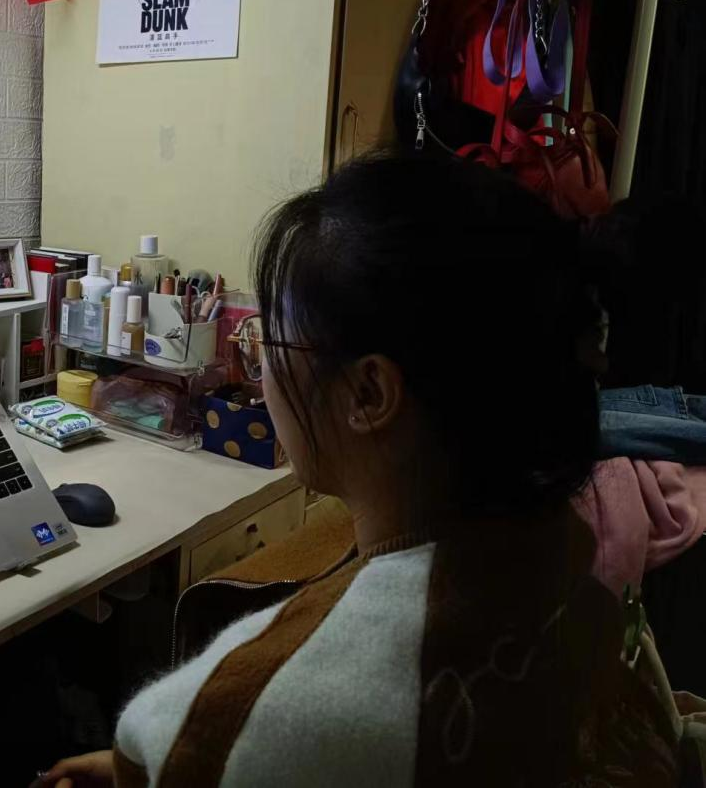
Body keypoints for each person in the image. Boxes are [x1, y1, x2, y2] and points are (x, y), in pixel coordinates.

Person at [36, 154, 683, 787]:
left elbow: (221, 747)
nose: (260, 370)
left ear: (369, 393)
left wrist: (154, 763)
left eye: (270, 339)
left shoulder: (254, 712)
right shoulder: (569, 554)